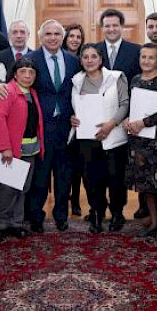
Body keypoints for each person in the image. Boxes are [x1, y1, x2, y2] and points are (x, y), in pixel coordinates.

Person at [24, 19, 80, 232]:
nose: (53, 37)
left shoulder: (73, 60)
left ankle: (61, 216)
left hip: (66, 127)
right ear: (40, 37)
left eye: (57, 34)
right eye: (48, 34)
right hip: (40, 127)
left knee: (64, 175)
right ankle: (36, 217)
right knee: (40, 175)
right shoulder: (30, 59)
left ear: (62, 37)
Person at [69, 43, 129, 233]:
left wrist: (111, 124)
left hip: (113, 137)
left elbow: (124, 104)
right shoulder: (76, 81)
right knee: (92, 179)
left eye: (93, 56)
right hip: (87, 139)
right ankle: (96, 214)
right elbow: (75, 107)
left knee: (115, 179)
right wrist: (73, 118)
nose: (89, 60)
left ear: (101, 59)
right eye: (85, 57)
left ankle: (117, 214)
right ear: (81, 60)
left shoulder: (116, 77)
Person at [124, 43, 157, 244]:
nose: (146, 61)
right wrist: (128, 120)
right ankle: (154, 222)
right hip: (139, 141)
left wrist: (143, 122)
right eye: (143, 57)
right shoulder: (135, 80)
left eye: (151, 58)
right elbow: (131, 106)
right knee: (146, 183)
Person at [0, 58, 44, 240]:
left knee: (23, 187)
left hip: (31, 149)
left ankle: (16, 223)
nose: (27, 76)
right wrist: (5, 148)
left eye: (31, 72)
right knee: (7, 188)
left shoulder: (32, 93)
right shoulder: (8, 91)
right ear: (15, 74)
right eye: (23, 72)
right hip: (12, 150)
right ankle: (2, 224)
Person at [96, 9, 141, 223]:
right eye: (107, 25)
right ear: (102, 28)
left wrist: (129, 116)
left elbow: (140, 86)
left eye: (115, 25)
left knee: (118, 172)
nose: (111, 29)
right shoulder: (92, 51)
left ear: (122, 27)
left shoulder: (135, 51)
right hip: (96, 124)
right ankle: (97, 209)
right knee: (97, 171)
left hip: (125, 121)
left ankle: (117, 211)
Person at [62, 23, 85, 217]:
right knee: (65, 165)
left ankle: (76, 201)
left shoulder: (84, 60)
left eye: (78, 36)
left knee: (78, 165)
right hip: (64, 117)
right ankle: (63, 199)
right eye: (71, 36)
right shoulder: (59, 58)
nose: (75, 40)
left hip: (81, 117)